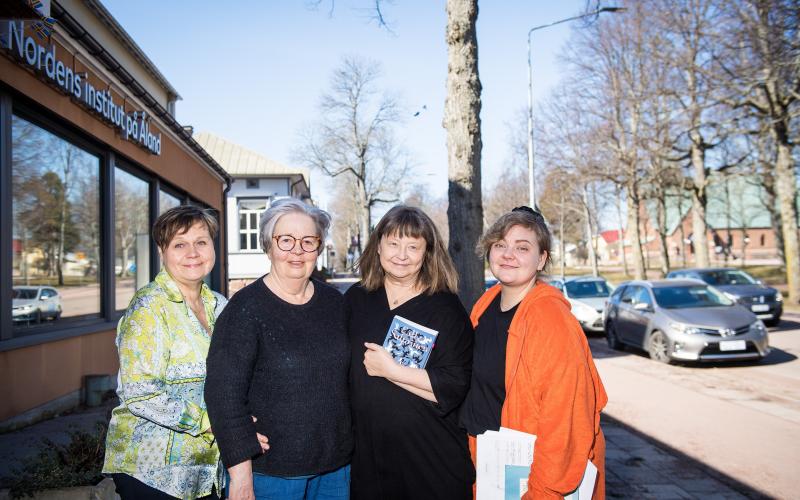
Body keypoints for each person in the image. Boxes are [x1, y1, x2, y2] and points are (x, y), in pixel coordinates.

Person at [103, 205, 260, 500]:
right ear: (163, 251)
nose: (193, 253)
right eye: (180, 244)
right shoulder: (149, 306)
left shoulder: (220, 305)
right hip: (151, 472)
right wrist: (211, 421)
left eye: (201, 242)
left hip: (203, 471)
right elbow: (140, 393)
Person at [205, 198, 352, 500]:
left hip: (336, 472)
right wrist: (241, 477)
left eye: (307, 241)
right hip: (271, 476)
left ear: (319, 247)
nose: (297, 250)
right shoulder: (245, 310)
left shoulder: (336, 304)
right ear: (268, 246)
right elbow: (223, 396)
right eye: (286, 240)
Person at [459, 206, 608, 498]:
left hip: (530, 476)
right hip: (487, 465)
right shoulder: (486, 304)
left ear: (541, 259)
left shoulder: (551, 320)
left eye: (522, 247)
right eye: (500, 245)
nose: (508, 254)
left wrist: (542, 491)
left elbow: (567, 420)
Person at [345, 205, 474, 500]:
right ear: (378, 247)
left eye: (413, 246)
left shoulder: (445, 309)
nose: (401, 255)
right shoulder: (357, 300)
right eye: (393, 243)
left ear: (427, 253)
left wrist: (392, 371)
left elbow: (454, 387)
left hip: (429, 461)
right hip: (368, 462)